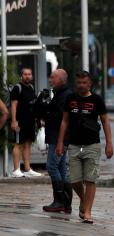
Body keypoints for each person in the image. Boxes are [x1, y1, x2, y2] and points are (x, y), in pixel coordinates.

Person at [56, 71, 113, 224]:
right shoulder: (70, 99)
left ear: (90, 84)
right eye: (79, 82)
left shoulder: (97, 100)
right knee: (74, 180)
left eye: (84, 83)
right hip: (74, 145)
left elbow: (105, 121)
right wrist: (60, 142)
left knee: (90, 180)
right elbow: (64, 122)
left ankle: (87, 211)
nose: (81, 85)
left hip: (92, 145)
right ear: (76, 83)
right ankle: (83, 200)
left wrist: (109, 143)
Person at [39, 69, 74, 213]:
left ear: (62, 80)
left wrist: (46, 111)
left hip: (58, 137)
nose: (50, 79)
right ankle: (66, 203)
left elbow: (60, 118)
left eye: (53, 77)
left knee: (52, 166)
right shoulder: (61, 94)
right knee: (61, 169)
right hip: (58, 136)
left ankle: (60, 201)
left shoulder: (65, 95)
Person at [10, 67, 42, 177]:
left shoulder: (31, 87)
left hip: (30, 121)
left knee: (28, 144)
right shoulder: (17, 88)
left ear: (32, 76)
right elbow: (13, 106)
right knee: (18, 144)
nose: (27, 76)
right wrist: (14, 121)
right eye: (25, 74)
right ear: (21, 75)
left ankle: (28, 169)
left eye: (29, 74)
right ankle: (16, 170)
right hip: (20, 122)